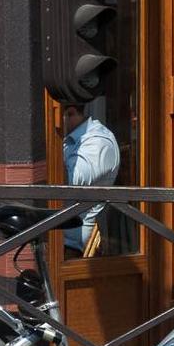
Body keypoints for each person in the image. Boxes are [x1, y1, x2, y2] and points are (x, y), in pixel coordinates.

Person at [61, 102, 120, 253]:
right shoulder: (69, 137)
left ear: (70, 113)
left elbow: (71, 180)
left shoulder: (99, 141)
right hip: (54, 236)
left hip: (73, 248)